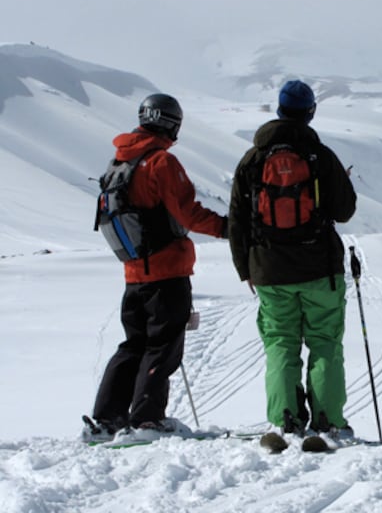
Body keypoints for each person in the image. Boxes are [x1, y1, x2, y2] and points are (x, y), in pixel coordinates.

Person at [86, 93, 228, 440]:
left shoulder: (120, 163)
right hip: (166, 270)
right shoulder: (162, 162)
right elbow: (187, 213)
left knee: (133, 344)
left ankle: (107, 419)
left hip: (134, 273)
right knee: (162, 347)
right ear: (171, 124)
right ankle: (147, 419)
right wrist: (228, 227)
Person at [228, 80, 357, 439]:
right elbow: (344, 211)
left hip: (269, 271)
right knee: (325, 342)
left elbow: (237, 219)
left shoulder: (253, 160)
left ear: (279, 110)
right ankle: (329, 421)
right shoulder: (320, 156)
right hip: (319, 269)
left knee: (281, 343)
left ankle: (285, 420)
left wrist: (246, 270)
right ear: (310, 112)